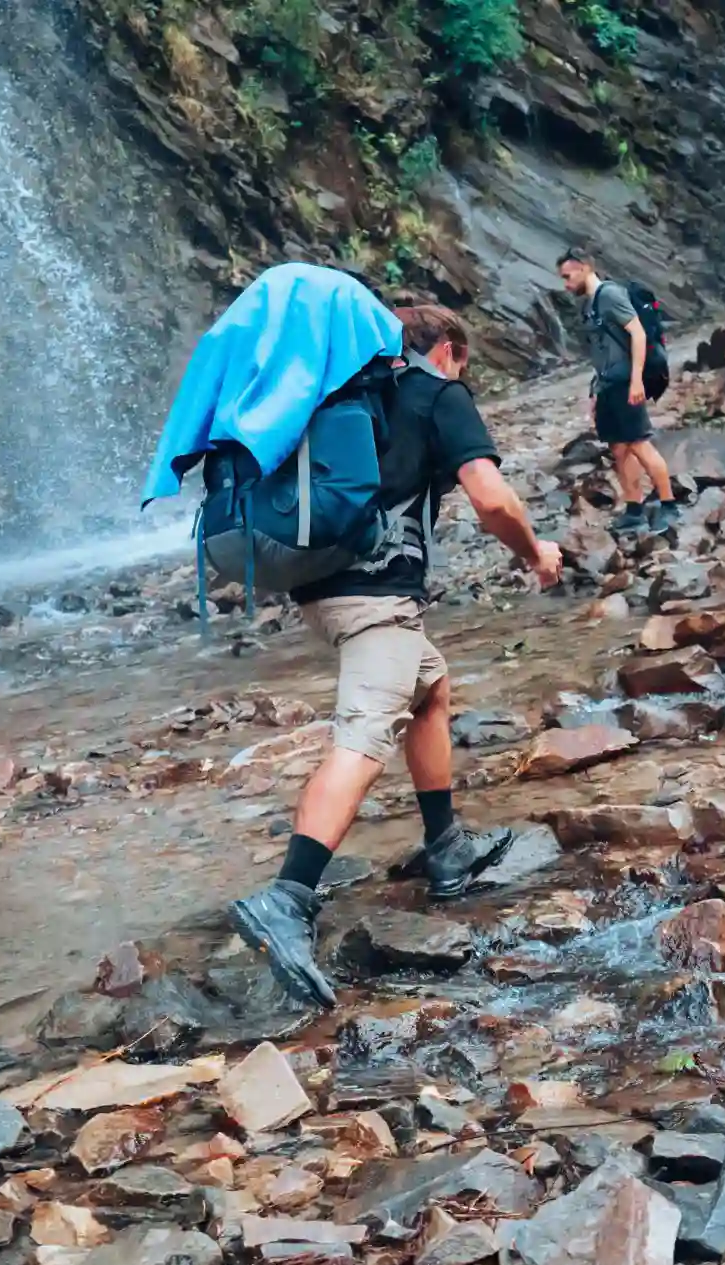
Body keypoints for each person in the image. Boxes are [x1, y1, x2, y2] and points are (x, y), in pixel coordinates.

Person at [228, 305, 564, 1008]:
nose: (459, 375)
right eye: (460, 365)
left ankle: (446, 845)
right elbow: (490, 497)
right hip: (376, 598)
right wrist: (536, 552)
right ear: (446, 350)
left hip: (320, 589)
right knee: (364, 732)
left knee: (431, 685)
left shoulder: (347, 393)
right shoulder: (439, 394)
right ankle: (287, 897)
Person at [556, 248, 680, 534]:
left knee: (639, 444)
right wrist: (595, 390)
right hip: (608, 386)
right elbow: (602, 352)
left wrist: (636, 380)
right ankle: (634, 510)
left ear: (585, 267)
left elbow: (637, 333)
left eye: (567, 276)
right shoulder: (588, 305)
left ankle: (669, 505)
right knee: (619, 449)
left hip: (626, 384)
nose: (565, 284)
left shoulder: (611, 295)